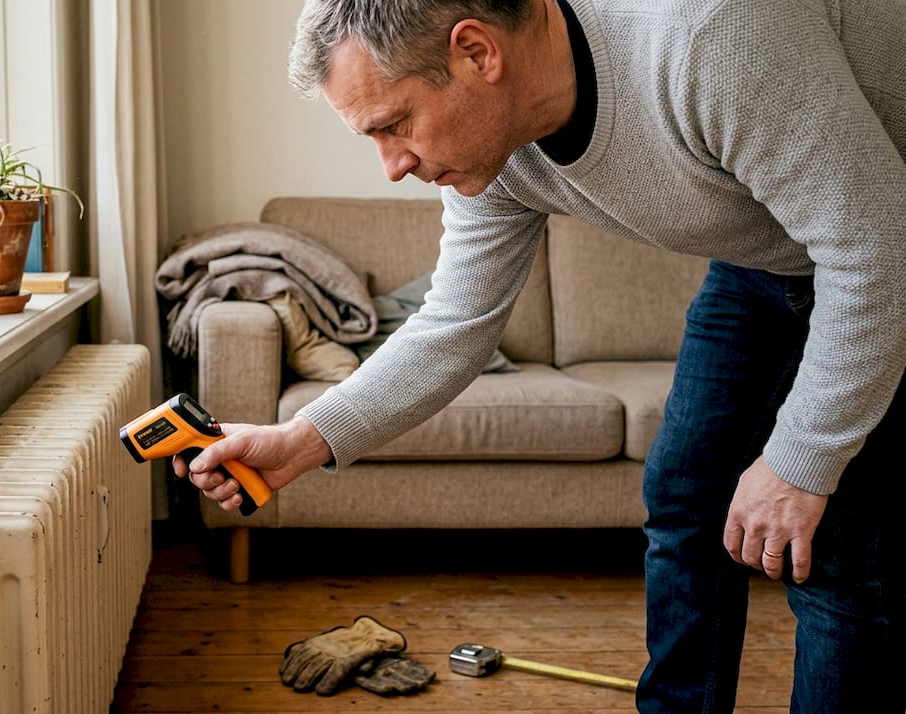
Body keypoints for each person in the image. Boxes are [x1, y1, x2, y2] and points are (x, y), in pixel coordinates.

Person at [175, 0, 906, 711]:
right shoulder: (498, 146)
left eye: (395, 125)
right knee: (687, 498)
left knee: (833, 557)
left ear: (476, 52)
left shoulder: (710, 34)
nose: (392, 165)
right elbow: (457, 322)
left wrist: (798, 463)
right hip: (771, 254)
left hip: (886, 243)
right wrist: (300, 442)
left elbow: (878, 250)